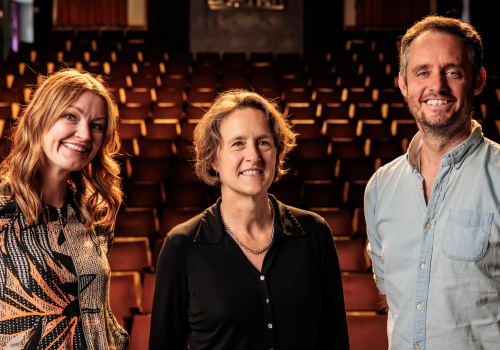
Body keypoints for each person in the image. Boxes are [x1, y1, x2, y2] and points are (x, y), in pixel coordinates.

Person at [149, 90, 349, 349]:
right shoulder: (182, 246)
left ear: (277, 152)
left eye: (263, 142)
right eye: (238, 143)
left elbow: (335, 340)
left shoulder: (315, 233)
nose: (253, 155)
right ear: (213, 158)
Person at [365, 16, 499, 349]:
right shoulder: (380, 187)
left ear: (478, 81)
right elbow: (389, 291)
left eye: (452, 72)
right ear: (404, 84)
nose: (436, 86)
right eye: (422, 72)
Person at [0, 69, 129, 349]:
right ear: (37, 118)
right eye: (70, 116)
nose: (84, 134)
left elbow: (98, 314)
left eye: (97, 125)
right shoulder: (2, 212)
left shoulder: (93, 217)